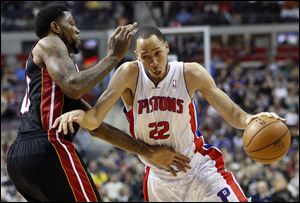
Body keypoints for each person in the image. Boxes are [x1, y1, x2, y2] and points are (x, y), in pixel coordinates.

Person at [53, 26, 286, 202]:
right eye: (145, 56)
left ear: (167, 47)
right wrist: (79, 116)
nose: (153, 62)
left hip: (196, 169)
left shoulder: (190, 73)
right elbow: (95, 119)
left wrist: (250, 119)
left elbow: (232, 112)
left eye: (157, 53)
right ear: (137, 55)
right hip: (158, 180)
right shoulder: (129, 74)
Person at [6, 5, 190, 202]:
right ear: (55, 27)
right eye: (71, 24)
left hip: (20, 158)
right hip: (48, 144)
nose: (77, 30)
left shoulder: (53, 81)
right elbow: (74, 86)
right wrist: (113, 57)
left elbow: (96, 127)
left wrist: (148, 151)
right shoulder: (50, 42)